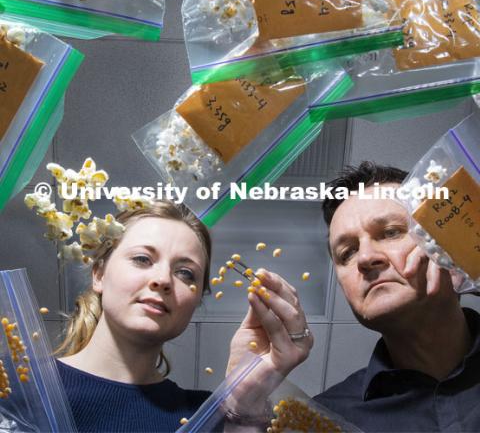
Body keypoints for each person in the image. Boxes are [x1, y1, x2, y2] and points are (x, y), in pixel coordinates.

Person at [56, 201, 313, 432]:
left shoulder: (203, 418)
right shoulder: (23, 385)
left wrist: (246, 398)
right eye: (143, 259)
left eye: (185, 273)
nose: (162, 280)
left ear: (197, 299)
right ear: (99, 274)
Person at [313, 161, 480, 432]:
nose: (365, 258)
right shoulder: (325, 420)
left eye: (391, 233)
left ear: (444, 242)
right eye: (347, 253)